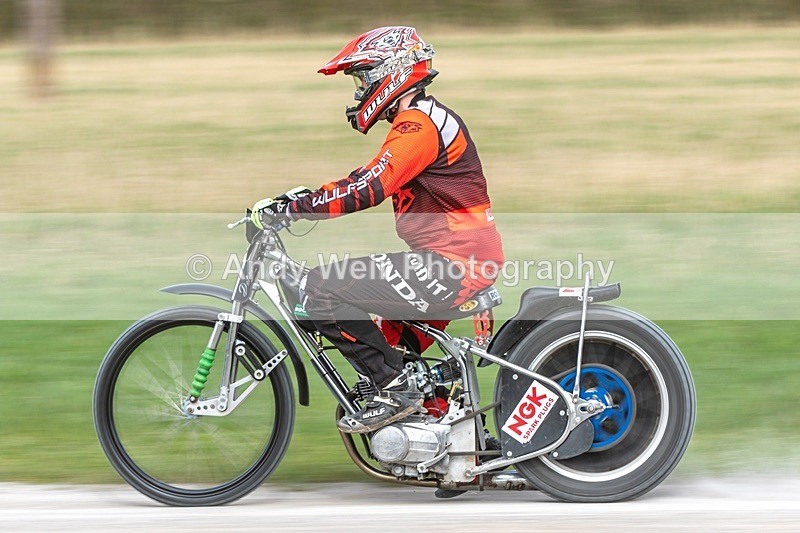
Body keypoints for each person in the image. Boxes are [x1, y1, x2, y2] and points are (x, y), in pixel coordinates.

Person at [251, 26, 504, 434]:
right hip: (455, 260)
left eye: (363, 78)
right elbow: (368, 177)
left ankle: (397, 393)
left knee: (322, 289)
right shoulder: (423, 119)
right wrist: (305, 201)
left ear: (395, 71)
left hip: (454, 265)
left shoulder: (418, 126)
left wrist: (296, 207)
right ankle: (453, 444)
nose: (358, 92)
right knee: (395, 358)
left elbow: (370, 186)